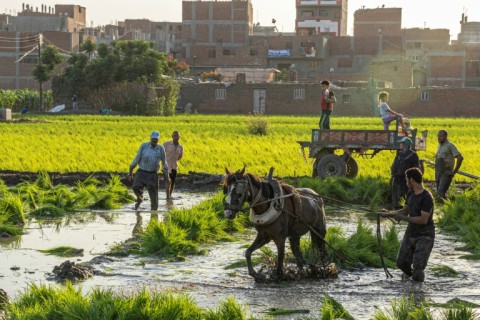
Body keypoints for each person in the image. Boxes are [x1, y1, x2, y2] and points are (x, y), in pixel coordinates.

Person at [379, 167, 434, 282]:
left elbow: (424, 219)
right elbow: (404, 211)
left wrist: (403, 218)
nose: (406, 182)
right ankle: (410, 282)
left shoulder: (426, 197)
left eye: (406, 180)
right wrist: (388, 214)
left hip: (425, 236)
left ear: (412, 180)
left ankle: (417, 291)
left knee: (418, 266)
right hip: (411, 232)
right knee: (401, 262)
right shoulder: (410, 193)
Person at [129, 131, 169, 211]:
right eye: (153, 139)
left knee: (154, 198)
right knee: (135, 186)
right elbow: (136, 159)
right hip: (141, 172)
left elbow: (164, 163)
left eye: (156, 139)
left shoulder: (161, 148)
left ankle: (154, 215)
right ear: (150, 138)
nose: (155, 141)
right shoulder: (144, 146)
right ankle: (139, 198)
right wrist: (130, 172)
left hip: (152, 174)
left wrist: (167, 177)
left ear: (158, 140)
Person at [390, 137, 420, 209]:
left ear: (406, 145)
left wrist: (412, 180)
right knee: (395, 194)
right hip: (397, 178)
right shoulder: (400, 154)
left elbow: (416, 168)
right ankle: (396, 208)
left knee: (404, 195)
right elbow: (394, 166)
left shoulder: (413, 155)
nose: (400, 145)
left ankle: (404, 210)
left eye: (402, 143)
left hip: (406, 179)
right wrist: (392, 177)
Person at [435, 130, 463, 200]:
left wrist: (455, 171)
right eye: (438, 136)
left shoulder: (450, 145)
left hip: (446, 173)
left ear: (445, 136)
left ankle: (446, 208)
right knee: (439, 193)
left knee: (440, 193)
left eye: (441, 136)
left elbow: (460, 158)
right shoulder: (439, 146)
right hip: (438, 172)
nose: (439, 138)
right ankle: (445, 206)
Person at [163, 131, 184, 199]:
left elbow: (180, 157)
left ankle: (170, 195)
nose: (176, 137)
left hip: (174, 166)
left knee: (172, 182)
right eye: (175, 136)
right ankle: (167, 196)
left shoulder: (180, 147)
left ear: (179, 137)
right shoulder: (166, 144)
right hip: (166, 166)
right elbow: (161, 153)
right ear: (172, 136)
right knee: (168, 181)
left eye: (177, 136)